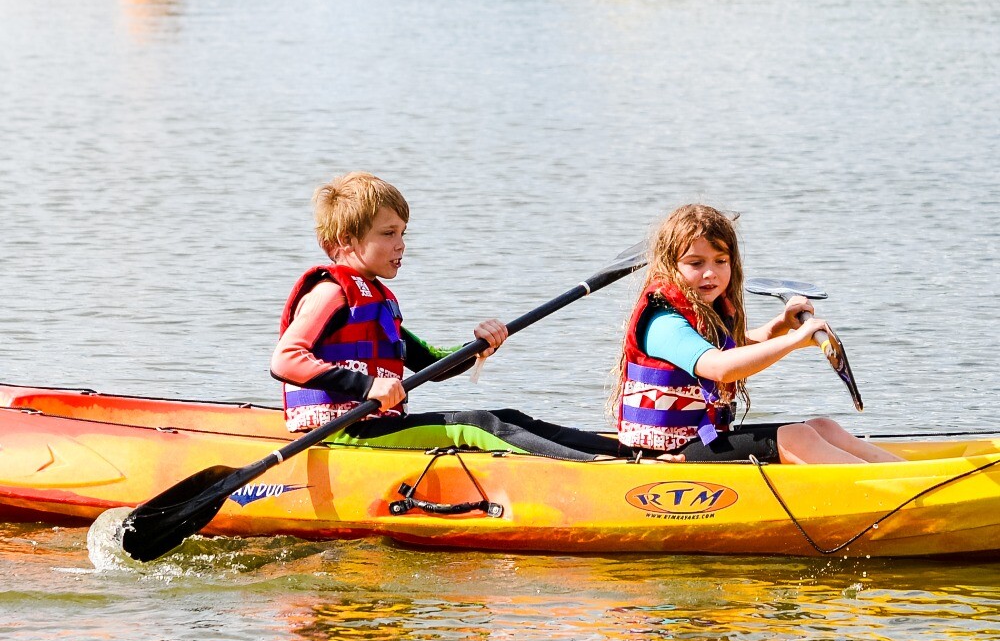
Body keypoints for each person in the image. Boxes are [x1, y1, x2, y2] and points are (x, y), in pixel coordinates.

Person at [271, 171, 617, 461]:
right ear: (347, 240)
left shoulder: (374, 300)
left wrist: (477, 348)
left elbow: (430, 364)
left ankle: (625, 452)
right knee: (476, 425)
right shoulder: (330, 292)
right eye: (388, 233)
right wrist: (368, 386)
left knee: (507, 418)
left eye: (403, 233)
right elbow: (285, 360)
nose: (401, 244)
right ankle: (603, 471)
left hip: (374, 426)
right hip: (340, 433)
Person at [613, 204, 904, 464]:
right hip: (665, 456)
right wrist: (794, 341)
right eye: (695, 263)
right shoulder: (663, 321)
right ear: (669, 266)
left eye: (720, 261)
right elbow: (720, 367)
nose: (710, 273)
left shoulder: (705, 310)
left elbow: (736, 348)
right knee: (797, 438)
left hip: (702, 439)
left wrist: (780, 326)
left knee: (823, 427)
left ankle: (907, 475)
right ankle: (894, 493)